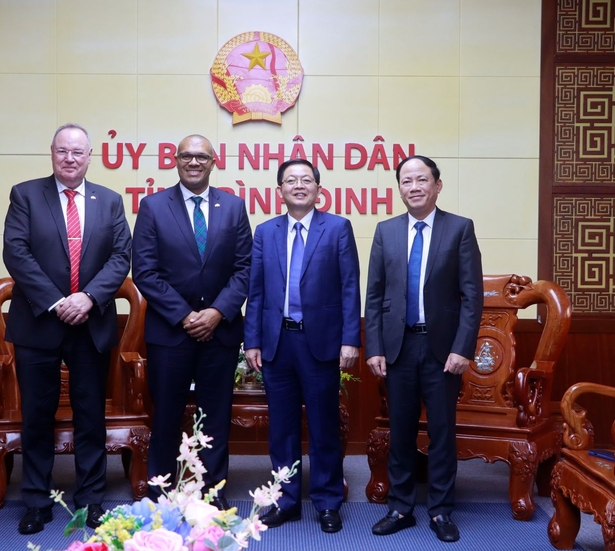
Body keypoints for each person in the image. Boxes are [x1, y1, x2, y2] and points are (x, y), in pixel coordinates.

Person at [3, 123, 132, 535]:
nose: (70, 158)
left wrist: (88, 298)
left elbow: (120, 257)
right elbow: (16, 252)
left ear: (89, 156)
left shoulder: (109, 201)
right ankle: (37, 501)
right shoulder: (26, 194)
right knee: (37, 416)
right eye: (63, 151)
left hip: (90, 322)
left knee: (90, 415)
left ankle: (91, 499)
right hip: (39, 322)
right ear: (52, 153)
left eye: (78, 151)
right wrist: (58, 301)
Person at [364, 155, 483, 543]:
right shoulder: (385, 231)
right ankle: (400, 507)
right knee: (399, 431)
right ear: (398, 187)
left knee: (442, 432)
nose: (413, 187)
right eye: (406, 181)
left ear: (437, 185)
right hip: (398, 347)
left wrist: (463, 347)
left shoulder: (459, 229)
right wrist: (374, 346)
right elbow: (375, 295)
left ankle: (441, 510)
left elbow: (472, 296)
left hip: (442, 349)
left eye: (421, 180)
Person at [131, 134, 252, 509]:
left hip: (222, 331)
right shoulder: (153, 206)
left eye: (201, 156)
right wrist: (185, 315)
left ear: (214, 161)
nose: (194, 162)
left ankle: (212, 492)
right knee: (166, 415)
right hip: (170, 332)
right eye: (187, 156)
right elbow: (145, 272)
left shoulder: (233, 206)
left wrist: (216, 312)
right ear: (176, 160)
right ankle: (160, 492)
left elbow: (245, 268)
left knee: (215, 418)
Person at [244, 158, 361, 534]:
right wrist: (253, 341)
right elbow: (256, 290)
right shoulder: (265, 231)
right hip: (278, 342)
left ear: (317, 188)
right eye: (290, 180)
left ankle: (328, 502)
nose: (298, 185)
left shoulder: (338, 228)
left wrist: (350, 340)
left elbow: (349, 288)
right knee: (282, 428)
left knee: (324, 426)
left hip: (322, 342)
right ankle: (285, 500)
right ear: (279, 190)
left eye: (305, 180)